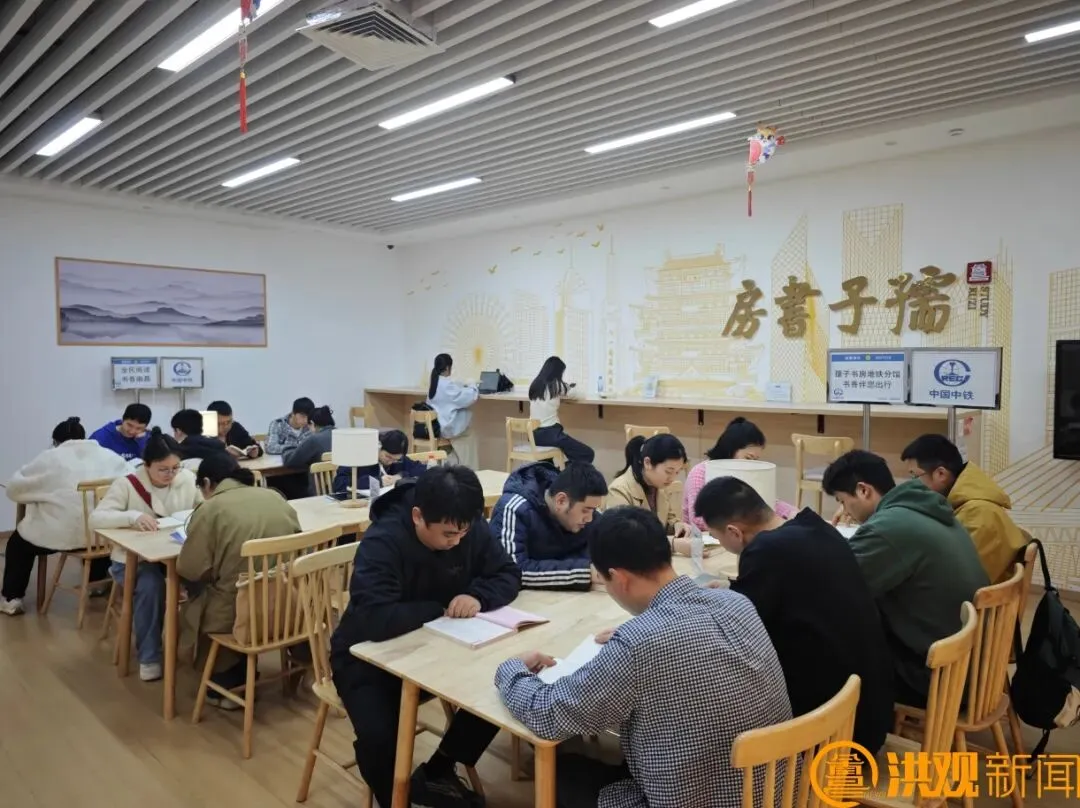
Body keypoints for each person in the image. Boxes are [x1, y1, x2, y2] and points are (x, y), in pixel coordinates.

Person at [494, 506, 792, 808]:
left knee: (562, 772)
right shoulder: (736, 602)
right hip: (778, 790)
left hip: (701, 799)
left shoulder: (637, 643)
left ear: (618, 578)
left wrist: (511, 669)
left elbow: (549, 715)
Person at [330, 466, 521, 808]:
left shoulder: (464, 522)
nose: (457, 541)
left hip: (441, 646)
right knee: (379, 737)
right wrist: (439, 608)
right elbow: (374, 618)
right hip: (366, 657)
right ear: (418, 516)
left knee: (502, 686)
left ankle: (439, 770)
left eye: (463, 532)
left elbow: (507, 572)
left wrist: (477, 596)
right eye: (448, 534)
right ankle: (396, 800)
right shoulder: (383, 541)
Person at [694, 476, 894, 754]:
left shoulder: (765, 551)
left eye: (717, 537)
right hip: (871, 710)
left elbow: (741, 631)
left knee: (713, 693)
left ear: (734, 532)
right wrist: (732, 589)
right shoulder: (815, 527)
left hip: (833, 737)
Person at [821, 450, 989, 707]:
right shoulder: (925, 508)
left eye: (843, 501)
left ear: (863, 490)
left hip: (941, 678)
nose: (844, 511)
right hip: (976, 668)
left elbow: (835, 588)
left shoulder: (888, 528)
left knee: (827, 641)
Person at [177, 454, 300, 708]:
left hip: (237, 612)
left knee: (199, 595)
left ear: (207, 483)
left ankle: (226, 682)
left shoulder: (211, 509)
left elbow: (190, 568)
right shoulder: (275, 497)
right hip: (287, 604)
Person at [90, 428, 202, 682]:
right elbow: (96, 518)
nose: (171, 475)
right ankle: (149, 656)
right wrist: (132, 517)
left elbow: (202, 508)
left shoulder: (186, 479)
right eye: (163, 469)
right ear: (147, 464)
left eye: (175, 468)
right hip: (133, 559)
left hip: (175, 553)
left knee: (206, 579)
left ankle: (200, 649)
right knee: (151, 587)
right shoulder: (127, 484)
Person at [2, 417, 130, 616]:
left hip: (60, 536)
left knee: (18, 545)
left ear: (56, 441)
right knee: (95, 526)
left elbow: (14, 489)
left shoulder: (49, 458)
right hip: (102, 538)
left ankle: (12, 599)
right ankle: (96, 583)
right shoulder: (108, 455)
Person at [900, 434, 1028, 583]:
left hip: (977, 596)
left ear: (941, 474)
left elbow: (958, 578)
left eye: (914, 477)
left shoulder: (979, 513)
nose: (911, 485)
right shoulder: (963, 504)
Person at [489, 461, 608, 591]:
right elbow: (512, 571)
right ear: (561, 501)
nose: (590, 518)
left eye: (593, 510)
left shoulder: (587, 513)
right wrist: (585, 572)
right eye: (585, 510)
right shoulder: (514, 509)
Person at [683, 417, 797, 531]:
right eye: (748, 458)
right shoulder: (700, 472)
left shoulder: (747, 474)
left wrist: (792, 513)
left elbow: (767, 503)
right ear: (731, 450)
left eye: (756, 460)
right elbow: (698, 520)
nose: (752, 465)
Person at [608, 434, 693, 553]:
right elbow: (625, 538)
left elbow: (668, 519)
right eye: (668, 471)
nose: (672, 478)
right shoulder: (619, 490)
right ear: (647, 463)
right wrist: (672, 544)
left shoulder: (659, 486)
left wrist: (677, 525)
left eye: (677, 472)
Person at [528, 355, 594, 464]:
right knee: (588, 454)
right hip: (551, 434)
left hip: (534, 435)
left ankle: (556, 472)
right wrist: (570, 387)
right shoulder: (557, 385)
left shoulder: (535, 385)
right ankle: (565, 472)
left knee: (547, 463)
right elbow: (580, 395)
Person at [332, 429, 429, 495]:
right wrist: (378, 481)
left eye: (396, 459)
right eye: (388, 457)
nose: (391, 462)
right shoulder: (359, 455)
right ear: (379, 447)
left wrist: (400, 476)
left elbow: (421, 469)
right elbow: (339, 484)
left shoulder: (398, 459)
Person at [426, 353, 481, 469]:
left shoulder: (434, 383)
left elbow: (452, 394)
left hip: (437, 427)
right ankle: (469, 470)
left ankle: (451, 459)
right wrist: (473, 385)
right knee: (470, 434)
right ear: (447, 368)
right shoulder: (447, 385)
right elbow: (470, 397)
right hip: (448, 429)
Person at [282, 405, 335, 473]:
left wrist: (287, 448)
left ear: (312, 423)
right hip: (342, 478)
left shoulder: (314, 439)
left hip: (321, 479)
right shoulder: (341, 435)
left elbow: (290, 461)